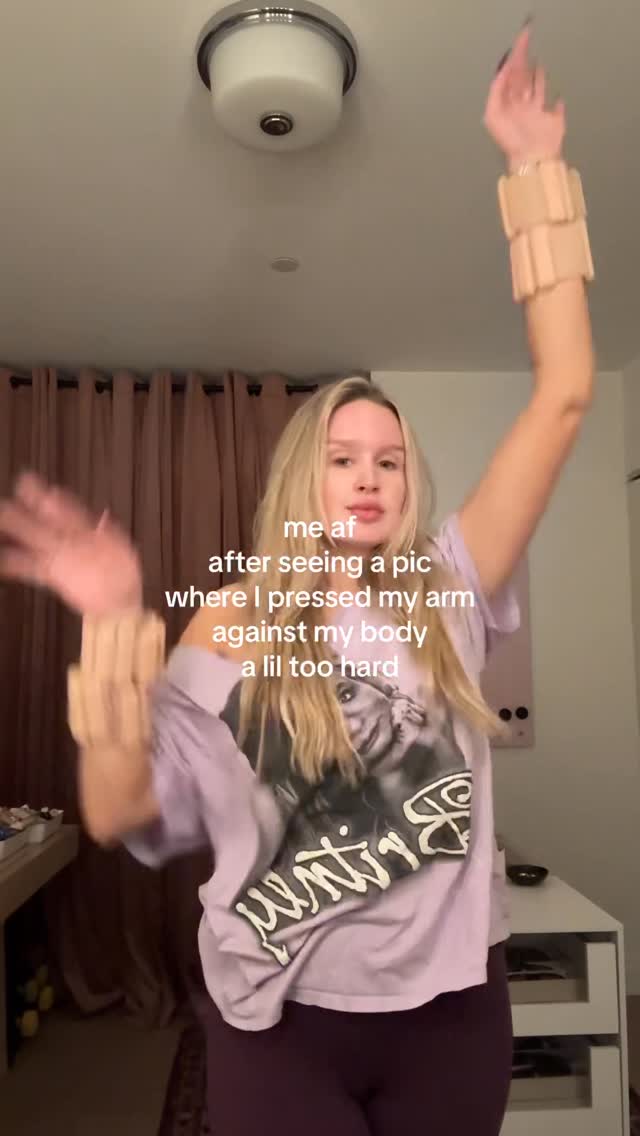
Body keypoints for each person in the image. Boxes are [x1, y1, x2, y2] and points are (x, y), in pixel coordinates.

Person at [0, 24, 594, 1136]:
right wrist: (114, 624)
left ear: (407, 486)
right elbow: (120, 808)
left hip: (451, 1014)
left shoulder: (449, 585)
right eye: (340, 456)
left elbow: (563, 391)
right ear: (299, 480)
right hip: (281, 1022)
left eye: (388, 461)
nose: (366, 477)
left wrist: (534, 171)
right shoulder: (234, 618)